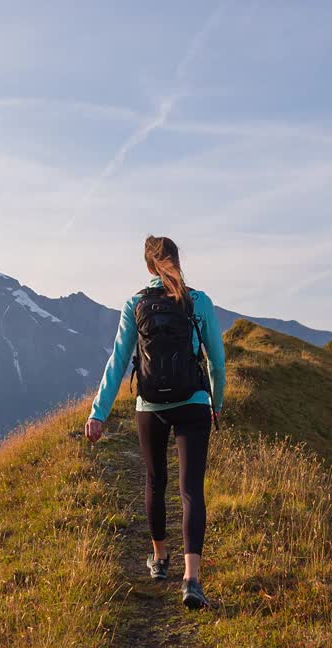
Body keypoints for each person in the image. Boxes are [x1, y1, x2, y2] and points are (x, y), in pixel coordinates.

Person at [84, 236, 226, 610]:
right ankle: (191, 579)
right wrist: (217, 402)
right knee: (191, 488)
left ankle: (160, 558)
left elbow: (117, 361)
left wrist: (98, 413)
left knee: (155, 480)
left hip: (151, 405)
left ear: (148, 267)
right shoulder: (199, 302)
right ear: (177, 261)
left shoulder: (135, 304)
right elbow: (217, 362)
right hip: (194, 402)